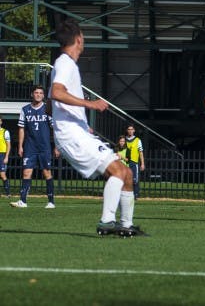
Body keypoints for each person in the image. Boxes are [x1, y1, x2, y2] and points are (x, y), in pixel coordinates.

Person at [48, 18, 142, 236]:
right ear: (79, 39)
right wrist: (90, 104)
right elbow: (56, 93)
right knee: (118, 171)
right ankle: (106, 221)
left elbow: (51, 106)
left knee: (126, 173)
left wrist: (81, 125)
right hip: (72, 135)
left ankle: (126, 226)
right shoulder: (64, 63)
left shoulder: (63, 64)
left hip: (76, 132)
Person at [12, 84, 58, 209]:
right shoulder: (25, 109)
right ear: (32, 94)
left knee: (47, 173)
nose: (38, 95)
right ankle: (23, 201)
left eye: (41, 93)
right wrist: (20, 146)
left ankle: (51, 201)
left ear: (43, 95)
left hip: (44, 147)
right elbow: (21, 129)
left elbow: (54, 128)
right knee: (26, 172)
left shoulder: (48, 109)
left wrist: (57, 146)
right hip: (30, 147)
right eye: (36, 93)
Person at [123, 124, 145, 199]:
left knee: (135, 180)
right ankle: (125, 194)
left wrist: (142, 164)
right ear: (127, 130)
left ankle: (135, 195)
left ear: (134, 130)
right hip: (125, 162)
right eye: (129, 129)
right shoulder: (124, 140)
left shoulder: (138, 140)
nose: (130, 131)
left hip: (134, 162)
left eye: (131, 129)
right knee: (125, 179)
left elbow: (141, 152)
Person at [0, 122, 11, 197]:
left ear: (1, 122)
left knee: (2, 174)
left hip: (2, 154)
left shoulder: (5, 132)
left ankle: (8, 193)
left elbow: (8, 145)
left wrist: (6, 156)